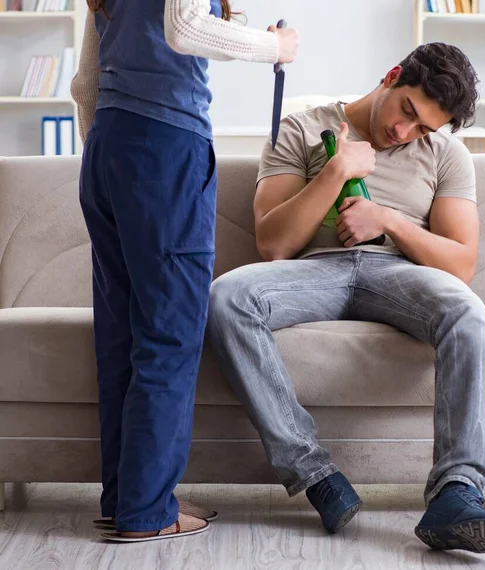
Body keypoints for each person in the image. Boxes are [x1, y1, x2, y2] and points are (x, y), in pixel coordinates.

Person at [207, 42, 485, 553]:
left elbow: (461, 264)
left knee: (469, 315)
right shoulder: (302, 128)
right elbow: (273, 243)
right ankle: (316, 474)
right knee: (228, 297)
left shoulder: (447, 156)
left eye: (422, 129)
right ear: (393, 76)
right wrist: (335, 173)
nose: (403, 132)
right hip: (313, 271)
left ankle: (457, 495)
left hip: (399, 275)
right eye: (407, 111)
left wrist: (388, 220)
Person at [70, 0, 299, 543]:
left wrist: (112, 155)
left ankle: (130, 497)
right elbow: (185, 27)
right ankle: (147, 510)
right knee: (169, 337)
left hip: (109, 148)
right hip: (164, 150)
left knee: (122, 336)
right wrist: (276, 48)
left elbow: (85, 84)